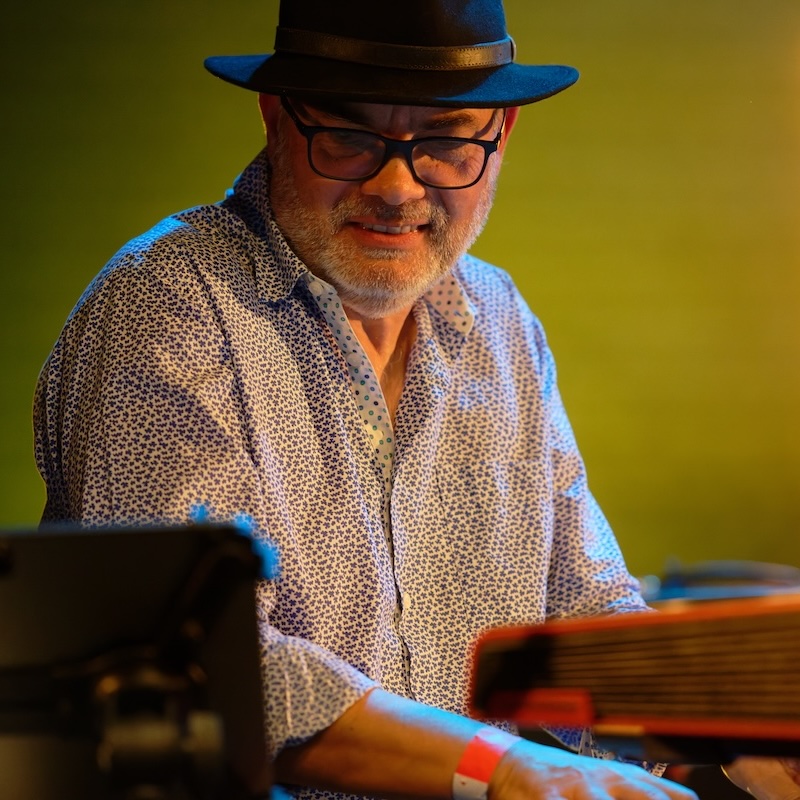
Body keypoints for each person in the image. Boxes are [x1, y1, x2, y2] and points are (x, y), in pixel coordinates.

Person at [33, 1, 786, 799]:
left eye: (446, 142)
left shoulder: (501, 321)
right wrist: (500, 766)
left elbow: (583, 615)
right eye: (349, 137)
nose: (396, 186)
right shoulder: (166, 304)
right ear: (277, 118)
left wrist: (730, 729)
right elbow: (202, 668)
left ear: (500, 135)